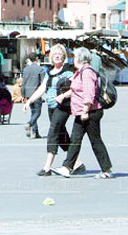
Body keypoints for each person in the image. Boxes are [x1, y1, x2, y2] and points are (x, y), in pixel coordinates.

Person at [23, 44, 86, 177]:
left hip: (63, 106)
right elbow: (42, 88)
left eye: (60, 54)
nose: (57, 56)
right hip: (51, 107)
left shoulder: (68, 71)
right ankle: (77, 163)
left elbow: (76, 87)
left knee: (53, 132)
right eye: (55, 54)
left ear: (64, 57)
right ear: (51, 57)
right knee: (62, 135)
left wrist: (63, 96)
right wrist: (29, 101)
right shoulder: (49, 72)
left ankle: (47, 167)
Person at [52, 47, 113, 179]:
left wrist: (85, 110)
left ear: (79, 58)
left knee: (95, 140)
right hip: (82, 112)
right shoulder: (80, 72)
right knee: (75, 139)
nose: (73, 59)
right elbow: (76, 89)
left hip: (90, 112)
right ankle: (67, 167)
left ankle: (106, 169)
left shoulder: (87, 72)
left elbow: (89, 93)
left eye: (74, 57)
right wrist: (63, 96)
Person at [22, 53, 45, 139]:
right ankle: (30, 123)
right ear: (36, 58)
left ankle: (35, 132)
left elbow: (23, 83)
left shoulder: (26, 69)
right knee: (37, 113)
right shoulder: (40, 69)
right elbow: (43, 83)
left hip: (28, 94)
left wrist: (23, 95)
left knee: (33, 112)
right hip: (36, 93)